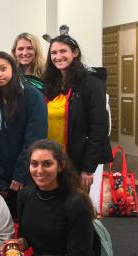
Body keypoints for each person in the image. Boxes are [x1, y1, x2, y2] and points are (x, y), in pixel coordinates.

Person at [3, 139, 104, 256]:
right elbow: (27, 235)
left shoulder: (76, 202)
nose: (39, 170)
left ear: (61, 166)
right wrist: (20, 244)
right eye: (34, 164)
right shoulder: (25, 195)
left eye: (47, 164)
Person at [43, 32, 112, 191]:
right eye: (53, 52)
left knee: (75, 209)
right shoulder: (52, 83)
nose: (58, 56)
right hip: (52, 160)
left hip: (77, 163)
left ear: (75, 53)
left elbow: (99, 126)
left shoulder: (91, 82)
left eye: (63, 51)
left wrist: (88, 168)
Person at [0, 52, 47, 217]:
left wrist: (21, 174)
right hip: (0, 179)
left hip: (28, 174)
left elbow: (35, 139)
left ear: (13, 69)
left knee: (27, 225)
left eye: (3, 68)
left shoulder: (32, 96)